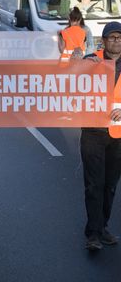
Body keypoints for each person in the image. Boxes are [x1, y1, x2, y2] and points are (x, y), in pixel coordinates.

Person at [81, 21, 121, 251]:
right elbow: (63, 76)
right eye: (112, 37)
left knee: (110, 186)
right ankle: (93, 234)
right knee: (94, 185)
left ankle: (103, 227)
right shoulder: (91, 59)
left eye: (119, 37)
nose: (116, 41)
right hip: (93, 132)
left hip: (118, 135)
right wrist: (82, 64)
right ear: (103, 40)